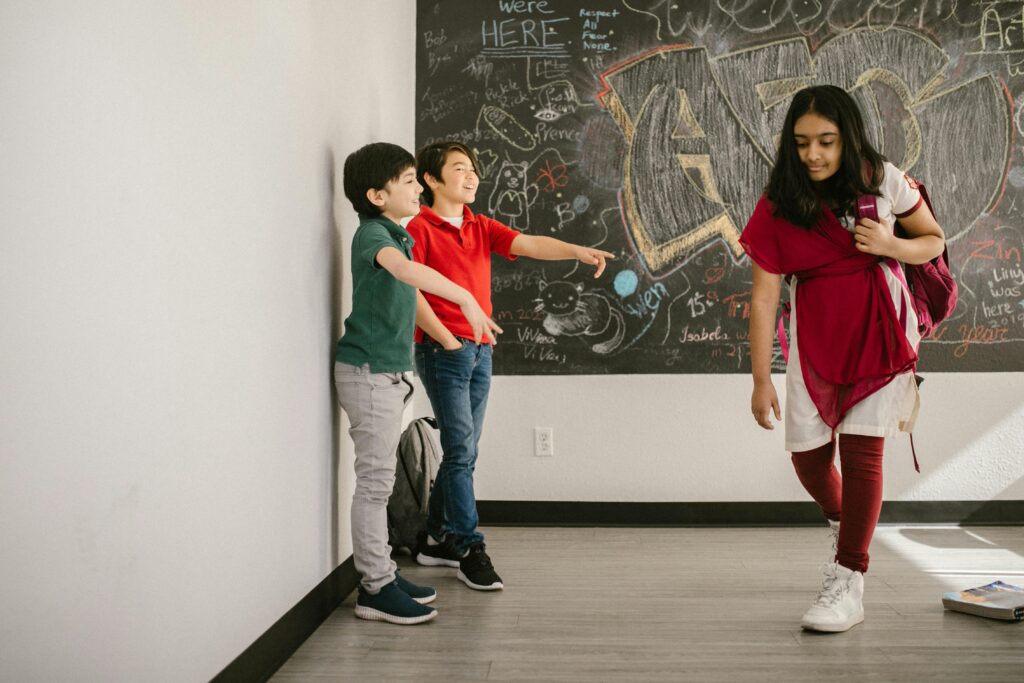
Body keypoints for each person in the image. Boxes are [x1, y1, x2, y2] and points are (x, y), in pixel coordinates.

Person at [741, 85, 945, 632]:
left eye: (827, 142)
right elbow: (764, 297)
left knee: (863, 456)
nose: (814, 154)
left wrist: (892, 246)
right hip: (816, 339)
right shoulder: (781, 200)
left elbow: (932, 239)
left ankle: (848, 579)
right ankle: (844, 520)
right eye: (803, 142)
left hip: (882, 331)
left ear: (847, 137)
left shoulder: (882, 178)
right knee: (808, 458)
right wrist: (761, 380)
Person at [407, 141, 614, 590]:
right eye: (459, 168)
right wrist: (446, 338)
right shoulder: (418, 229)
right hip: (443, 351)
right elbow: (409, 292)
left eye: (473, 169)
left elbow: (531, 243)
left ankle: (435, 540)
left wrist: (577, 250)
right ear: (431, 180)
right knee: (462, 452)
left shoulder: (479, 225)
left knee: (464, 451)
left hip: (481, 349)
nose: (471, 176)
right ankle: (468, 546)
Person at [335, 142, 502, 624]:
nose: (416, 187)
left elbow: (409, 294)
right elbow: (407, 273)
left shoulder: (396, 233)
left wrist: (452, 337)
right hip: (368, 374)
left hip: (387, 374)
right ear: (377, 194)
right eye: (407, 180)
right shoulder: (373, 235)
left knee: (381, 482)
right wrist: (467, 301)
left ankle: (383, 572)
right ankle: (374, 588)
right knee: (374, 485)